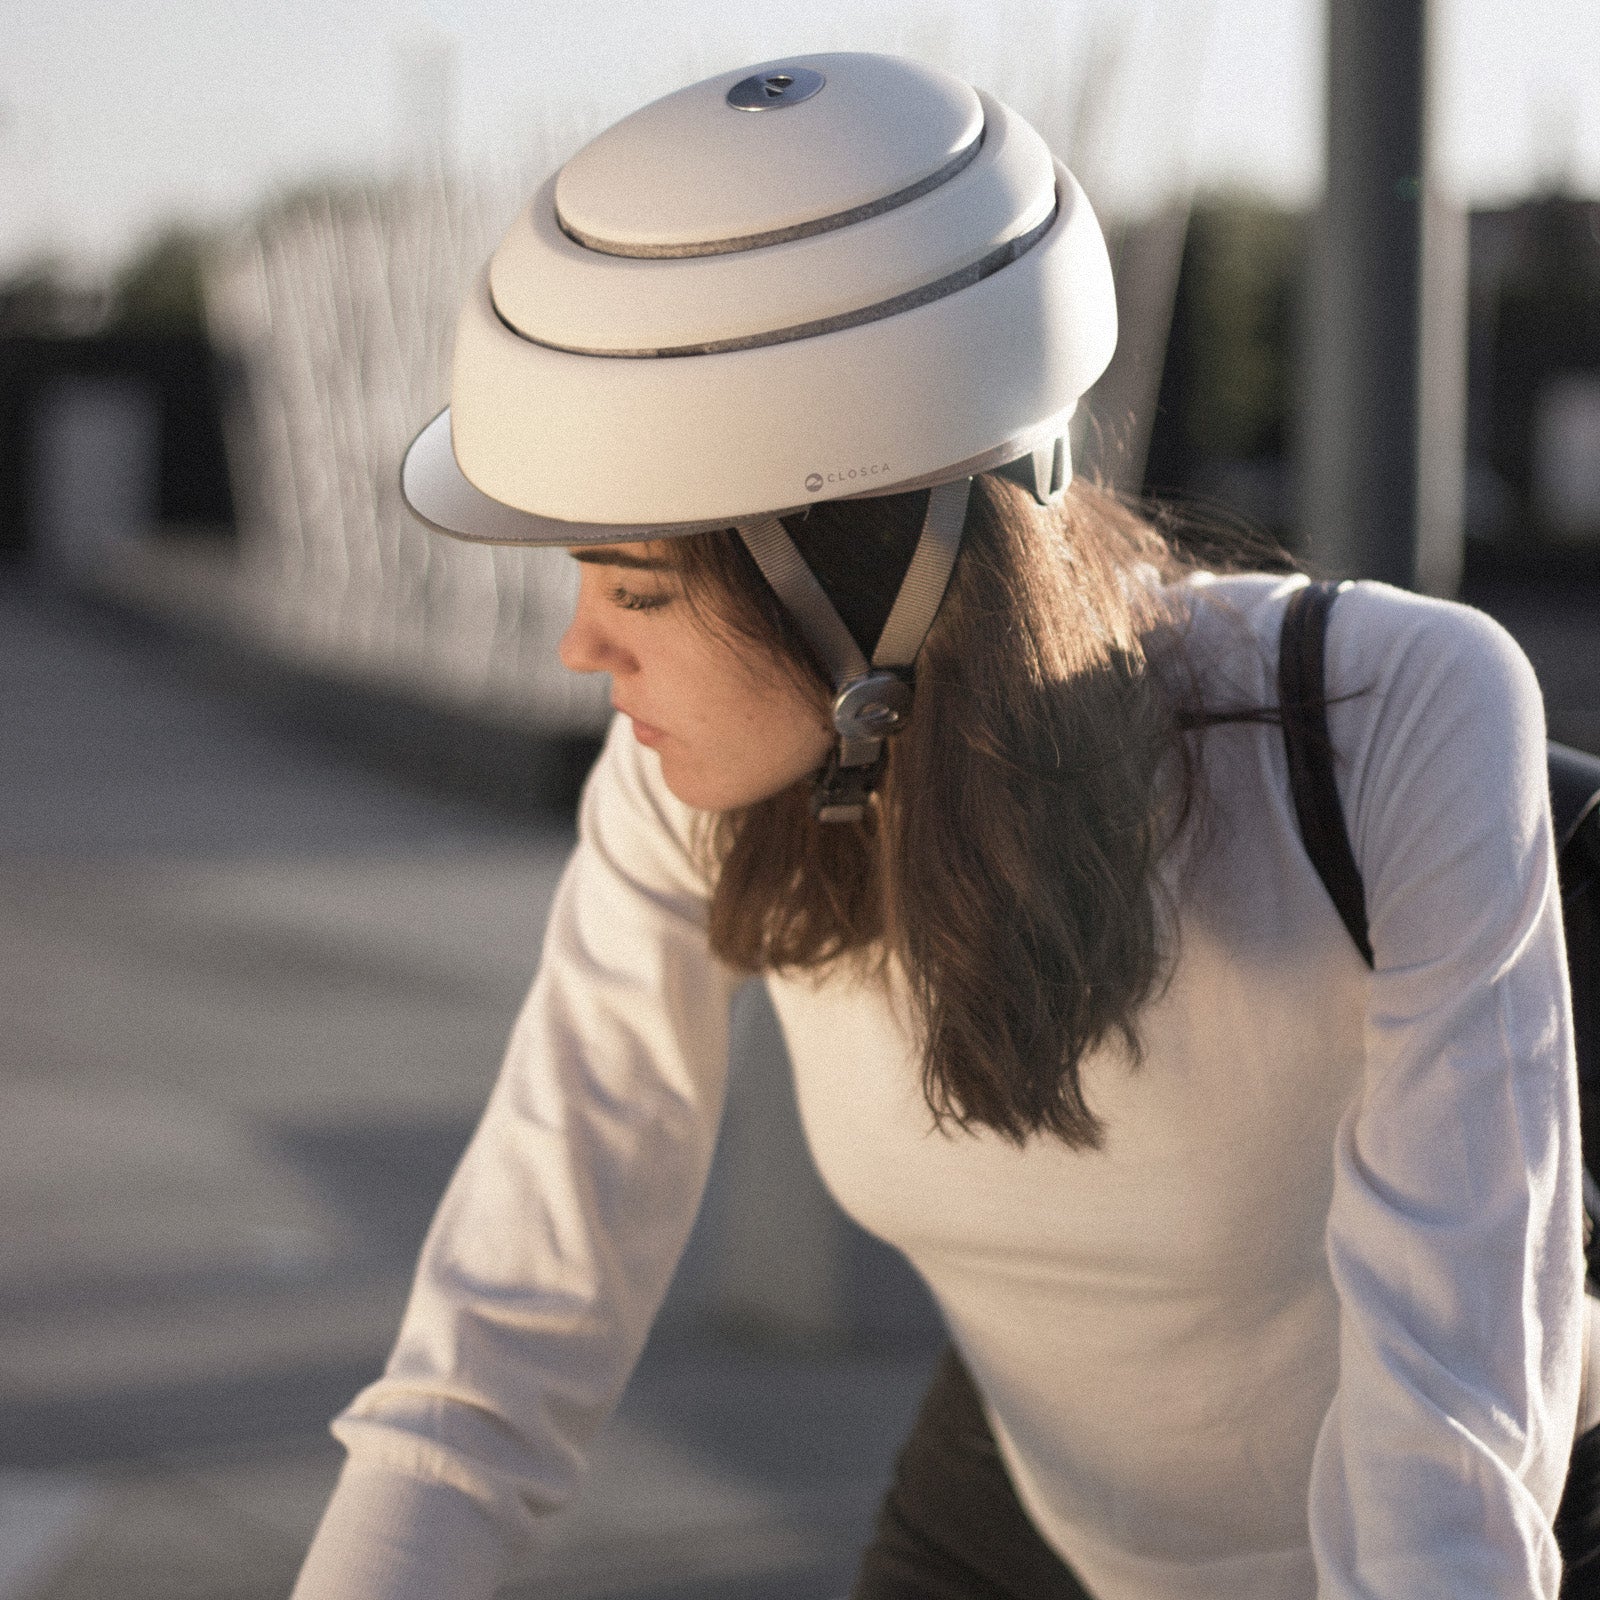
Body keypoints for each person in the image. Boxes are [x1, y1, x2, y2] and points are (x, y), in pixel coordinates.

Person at [291, 51, 1593, 1600]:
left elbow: (1445, 1437)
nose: (582, 649)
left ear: (861, 577)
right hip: (1033, 1517)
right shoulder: (682, 794)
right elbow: (502, 1336)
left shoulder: (1392, 716)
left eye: (635, 586)